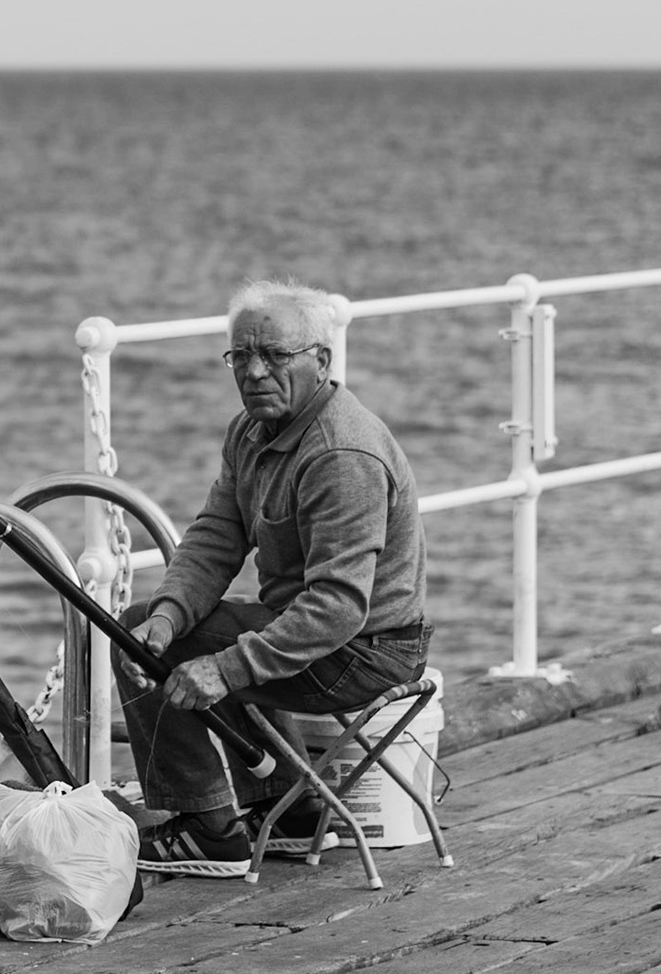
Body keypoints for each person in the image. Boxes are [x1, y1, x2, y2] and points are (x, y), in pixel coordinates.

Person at [115, 278, 430, 878]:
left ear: (321, 360)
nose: (255, 372)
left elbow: (338, 607)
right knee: (148, 632)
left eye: (275, 356)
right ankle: (290, 813)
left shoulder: (342, 454)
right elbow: (214, 537)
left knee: (206, 649)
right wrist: (166, 615)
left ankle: (208, 828)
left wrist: (224, 668)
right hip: (325, 639)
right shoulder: (250, 431)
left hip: (366, 651)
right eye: (242, 356)